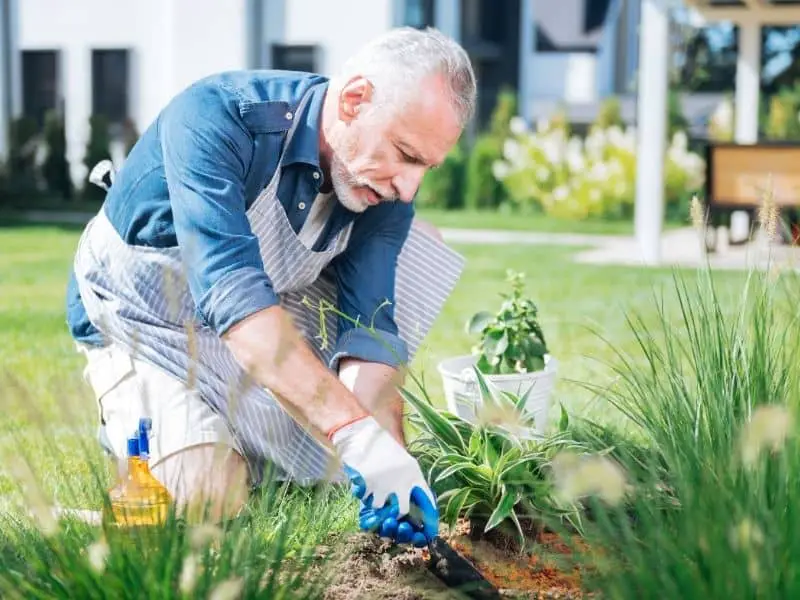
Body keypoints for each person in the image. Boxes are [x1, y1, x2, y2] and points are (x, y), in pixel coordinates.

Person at [67, 26, 476, 546]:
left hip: (263, 312)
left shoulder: (381, 185)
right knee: (211, 491)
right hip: (143, 322)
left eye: (426, 167)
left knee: (423, 243)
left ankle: (253, 438)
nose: (408, 186)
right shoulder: (220, 116)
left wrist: (389, 456)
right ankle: (143, 434)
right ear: (354, 101)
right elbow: (235, 301)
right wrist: (355, 437)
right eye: (405, 154)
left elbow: (366, 332)